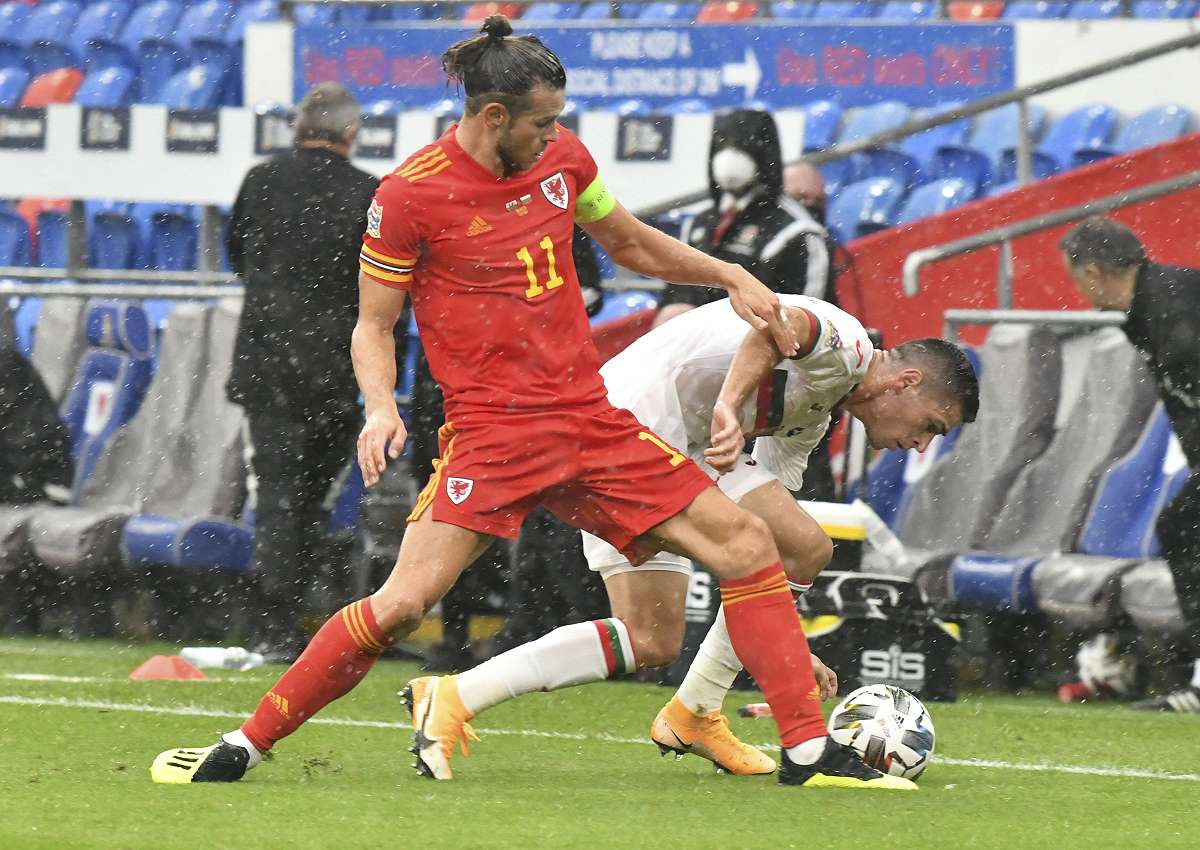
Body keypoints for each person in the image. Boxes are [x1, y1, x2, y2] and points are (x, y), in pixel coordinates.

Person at [150, 16, 913, 792]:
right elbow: (373, 326)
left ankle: (808, 752)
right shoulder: (408, 196)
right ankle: (244, 743)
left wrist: (728, 274)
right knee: (403, 604)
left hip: (589, 422)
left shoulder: (564, 161)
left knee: (748, 546)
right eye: (542, 122)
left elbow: (630, 243)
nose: (555, 135)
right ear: (493, 116)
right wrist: (380, 406)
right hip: (493, 437)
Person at [438, 294, 978, 775]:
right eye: (931, 425)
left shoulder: (813, 414)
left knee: (651, 638)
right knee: (806, 546)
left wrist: (779, 642)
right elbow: (773, 326)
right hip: (623, 431)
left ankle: (456, 695)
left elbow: (774, 543)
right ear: (906, 382)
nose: (921, 444)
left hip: (661, 442)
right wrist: (728, 404)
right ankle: (734, 721)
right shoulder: (850, 347)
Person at [224, 83, 381, 661]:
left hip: (268, 369)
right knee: (314, 501)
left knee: (277, 498)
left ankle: (273, 624)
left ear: (298, 127)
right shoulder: (368, 192)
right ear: (350, 132)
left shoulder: (260, 181)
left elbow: (239, 258)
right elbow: (381, 284)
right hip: (337, 372)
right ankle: (294, 621)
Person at [1060, 217, 1200, 714]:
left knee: (1186, 527)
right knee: (1183, 527)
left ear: (1093, 272)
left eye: (1076, 279)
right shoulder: (1151, 307)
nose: (1079, 291)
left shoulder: (1173, 314)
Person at [654, 110, 832, 328]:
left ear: (763, 154)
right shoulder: (700, 223)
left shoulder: (797, 230)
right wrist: (676, 308)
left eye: (740, 148)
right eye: (722, 147)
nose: (728, 158)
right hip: (699, 345)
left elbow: (811, 316)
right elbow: (677, 288)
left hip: (763, 342)